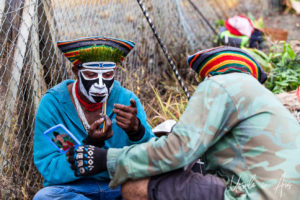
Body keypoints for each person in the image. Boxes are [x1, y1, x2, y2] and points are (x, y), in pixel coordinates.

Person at [67, 46, 300, 200]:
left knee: (135, 187)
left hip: (255, 194)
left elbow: (178, 150)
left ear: (209, 75)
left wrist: (107, 159)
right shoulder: (264, 100)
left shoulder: (219, 85)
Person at [33, 36, 154, 200]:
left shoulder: (126, 101)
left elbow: (152, 158)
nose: (100, 84)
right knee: (46, 197)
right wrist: (88, 147)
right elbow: (50, 168)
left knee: (158, 189)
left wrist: (137, 132)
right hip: (74, 189)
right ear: (76, 72)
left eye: (108, 75)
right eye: (90, 75)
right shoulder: (53, 105)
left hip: (121, 185)